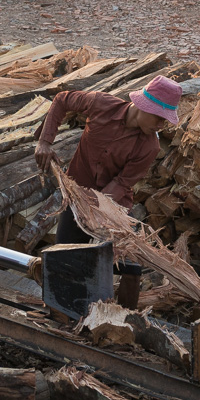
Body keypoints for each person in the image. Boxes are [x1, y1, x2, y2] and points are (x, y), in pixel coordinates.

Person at [35, 75, 183, 309]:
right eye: (159, 118)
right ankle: (60, 312)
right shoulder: (100, 104)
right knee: (63, 255)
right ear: (143, 106)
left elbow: (122, 183)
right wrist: (45, 141)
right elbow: (62, 100)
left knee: (131, 268)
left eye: (165, 121)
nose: (160, 126)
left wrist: (98, 213)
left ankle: (126, 321)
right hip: (77, 198)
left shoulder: (149, 146)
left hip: (113, 206)